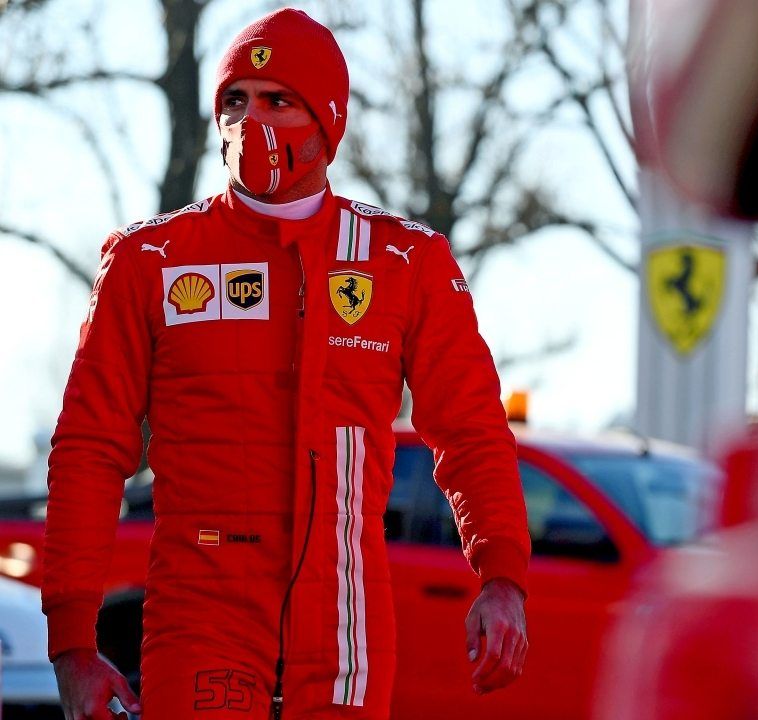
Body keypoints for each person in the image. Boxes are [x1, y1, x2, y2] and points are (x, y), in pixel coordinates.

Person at [41, 8, 531, 719]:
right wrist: (72, 644)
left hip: (348, 632)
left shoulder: (403, 262)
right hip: (199, 622)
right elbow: (88, 447)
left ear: (327, 120)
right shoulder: (151, 260)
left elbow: (471, 432)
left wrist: (503, 576)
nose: (251, 121)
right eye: (234, 101)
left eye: (278, 99)